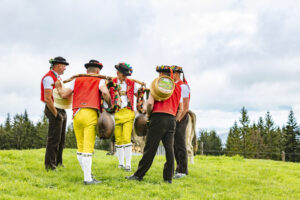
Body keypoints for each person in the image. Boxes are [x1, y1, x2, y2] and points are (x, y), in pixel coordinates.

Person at [55, 60, 111, 185]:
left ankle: (87, 174)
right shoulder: (100, 80)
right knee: (87, 148)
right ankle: (87, 179)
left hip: (76, 114)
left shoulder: (76, 80)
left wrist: (58, 87)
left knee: (80, 148)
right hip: (90, 114)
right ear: (97, 71)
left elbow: (64, 95)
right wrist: (109, 104)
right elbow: (106, 93)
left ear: (87, 71)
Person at [126, 65, 183, 184]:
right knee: (169, 149)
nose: (158, 76)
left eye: (159, 74)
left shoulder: (157, 84)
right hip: (171, 119)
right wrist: (174, 119)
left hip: (158, 118)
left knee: (150, 148)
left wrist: (148, 115)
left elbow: (150, 103)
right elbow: (181, 108)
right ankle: (168, 178)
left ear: (162, 75)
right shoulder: (177, 88)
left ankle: (139, 175)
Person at [41, 56, 69, 171]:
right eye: (64, 66)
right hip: (53, 108)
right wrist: (56, 114)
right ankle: (49, 165)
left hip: (61, 109)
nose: (65, 69)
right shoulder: (48, 78)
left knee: (61, 139)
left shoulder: (58, 78)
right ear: (57, 65)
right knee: (53, 139)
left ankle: (58, 162)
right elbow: (48, 99)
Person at [110, 63, 138, 171]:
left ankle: (128, 164)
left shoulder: (131, 83)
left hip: (128, 112)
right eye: (124, 75)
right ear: (118, 73)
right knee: (118, 139)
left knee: (126, 137)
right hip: (116, 113)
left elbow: (138, 94)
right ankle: (121, 163)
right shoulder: (111, 82)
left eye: (126, 75)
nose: (126, 77)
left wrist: (142, 94)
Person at [172, 65, 190, 179]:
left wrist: (178, 119)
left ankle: (183, 170)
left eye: (171, 74)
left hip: (181, 117)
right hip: (175, 116)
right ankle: (178, 168)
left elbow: (185, 106)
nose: (170, 76)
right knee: (174, 144)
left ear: (177, 74)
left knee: (180, 143)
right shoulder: (174, 85)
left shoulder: (183, 86)